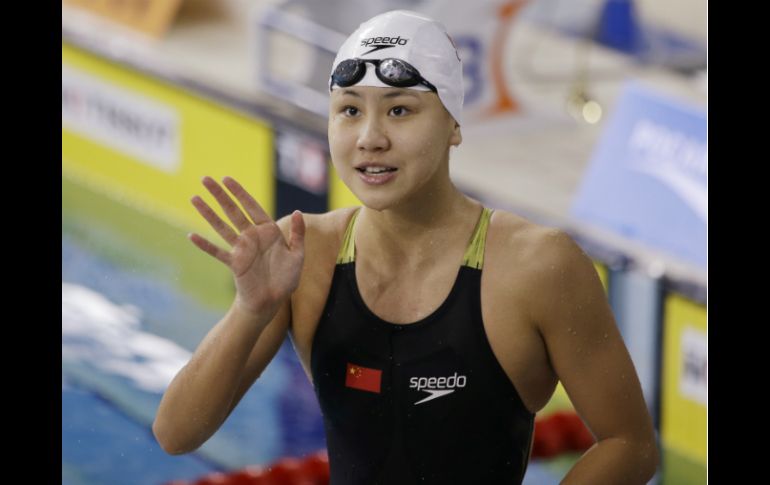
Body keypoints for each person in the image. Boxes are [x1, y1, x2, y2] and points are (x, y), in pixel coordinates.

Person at [153, 10, 658, 484]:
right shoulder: (304, 254)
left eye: (399, 110)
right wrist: (251, 309)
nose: (370, 138)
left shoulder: (537, 265)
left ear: (453, 125)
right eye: (349, 110)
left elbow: (630, 443)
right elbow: (176, 433)